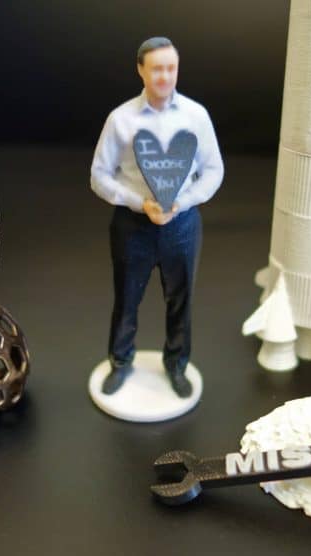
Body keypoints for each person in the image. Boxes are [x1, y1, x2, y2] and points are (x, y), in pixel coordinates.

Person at [90, 37, 224, 398]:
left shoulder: (196, 116)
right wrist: (138, 202)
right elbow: (99, 175)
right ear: (141, 70)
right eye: (156, 69)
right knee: (126, 300)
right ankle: (120, 362)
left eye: (171, 68)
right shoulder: (121, 119)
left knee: (181, 301)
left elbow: (213, 170)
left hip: (182, 225)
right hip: (132, 226)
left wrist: (185, 201)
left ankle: (177, 365)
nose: (164, 76)